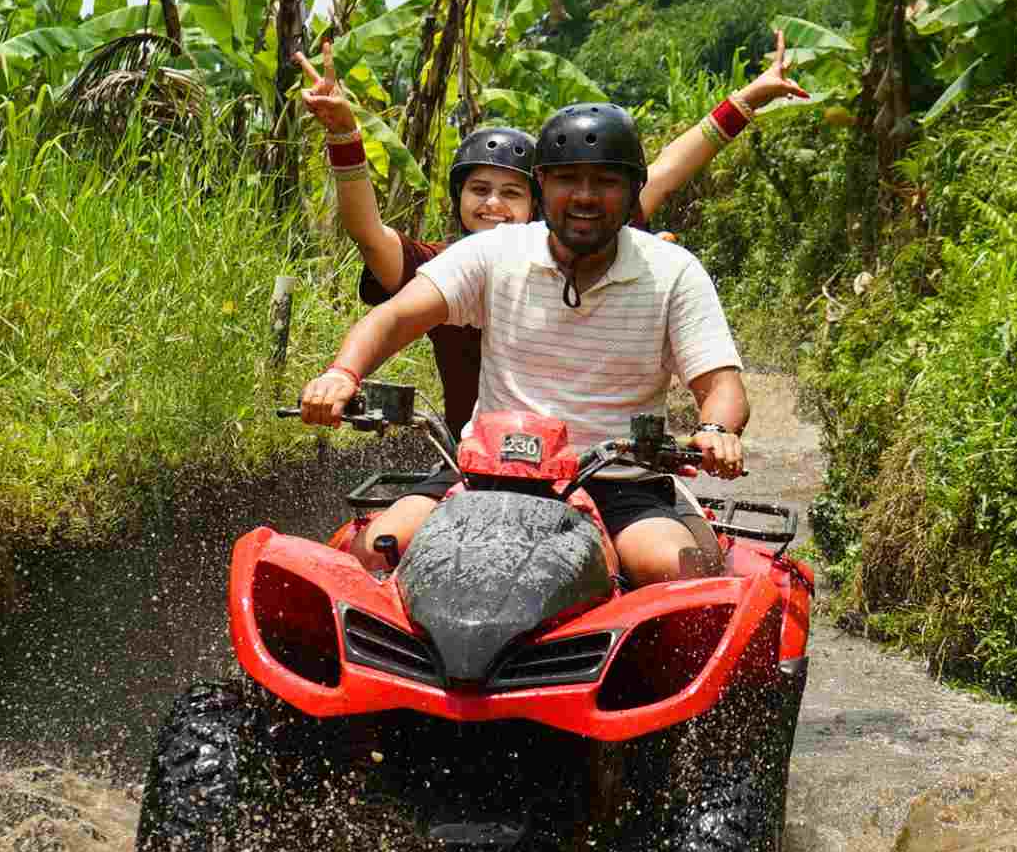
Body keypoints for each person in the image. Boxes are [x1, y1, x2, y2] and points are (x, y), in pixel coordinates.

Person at [299, 103, 751, 588]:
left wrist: (715, 430)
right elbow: (395, 317)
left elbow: (721, 385)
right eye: (567, 179)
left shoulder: (672, 270)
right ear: (542, 185)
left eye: (605, 181)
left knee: (675, 570)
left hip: (622, 484)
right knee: (377, 549)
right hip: (487, 472)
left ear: (633, 189)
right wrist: (342, 374)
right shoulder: (494, 251)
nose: (585, 196)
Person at [293, 32, 805, 441]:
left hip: (604, 471)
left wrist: (747, 99)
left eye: (510, 193)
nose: (494, 206)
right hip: (479, 463)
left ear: (537, 200)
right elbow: (377, 269)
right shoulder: (467, 259)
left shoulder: (620, 239)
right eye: (479, 190)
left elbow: (668, 168)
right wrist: (342, 373)